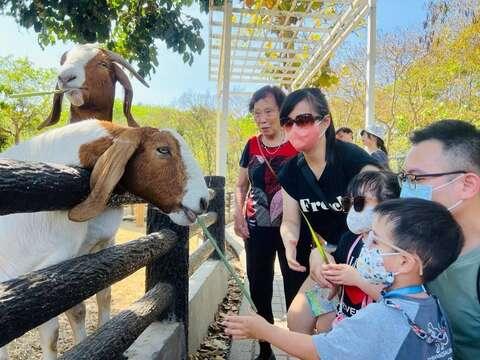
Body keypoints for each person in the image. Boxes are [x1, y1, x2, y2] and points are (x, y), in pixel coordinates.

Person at [224, 198, 462, 360]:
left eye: (376, 241)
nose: (366, 246)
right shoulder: (433, 306)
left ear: (404, 262)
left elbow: (317, 350)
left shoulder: (382, 317)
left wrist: (264, 330)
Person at [276, 88, 379, 291]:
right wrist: (290, 243)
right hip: (331, 255)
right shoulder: (290, 171)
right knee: (298, 318)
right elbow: (289, 221)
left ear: (325, 122)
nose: (294, 128)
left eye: (303, 120)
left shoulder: (354, 161)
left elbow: (387, 213)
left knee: (326, 322)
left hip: (370, 256)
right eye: (288, 123)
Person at [233, 85, 304, 360]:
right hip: (256, 227)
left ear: (282, 112)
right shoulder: (251, 145)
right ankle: (265, 350)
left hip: (293, 231)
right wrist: (239, 215)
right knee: (259, 288)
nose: (262, 118)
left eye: (268, 111)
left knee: (295, 289)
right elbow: (240, 184)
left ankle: (296, 347)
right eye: (256, 113)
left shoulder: (296, 144)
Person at [400, 119, 480, 360]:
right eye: (403, 178)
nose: (406, 190)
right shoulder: (419, 241)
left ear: (467, 184)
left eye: (417, 179)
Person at [287, 170, 400, 334]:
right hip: (345, 324)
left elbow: (399, 301)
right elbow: (335, 261)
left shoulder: (395, 249)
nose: (354, 210)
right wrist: (321, 261)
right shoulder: (351, 238)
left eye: (360, 203)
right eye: (349, 203)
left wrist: (357, 279)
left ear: (389, 205)